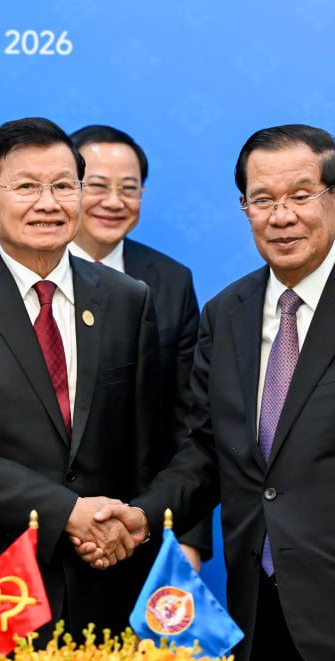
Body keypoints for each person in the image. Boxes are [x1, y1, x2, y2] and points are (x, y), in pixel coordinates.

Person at [82, 124, 335, 661]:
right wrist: (142, 515)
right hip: (259, 605)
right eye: (263, 199)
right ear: (244, 208)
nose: (282, 216)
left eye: (300, 196)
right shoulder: (227, 313)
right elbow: (206, 450)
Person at [0, 117, 163, 653]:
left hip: (101, 584)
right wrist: (68, 512)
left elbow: (148, 447)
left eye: (64, 186)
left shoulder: (127, 300)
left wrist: (124, 524)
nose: (48, 203)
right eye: (26, 187)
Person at [68, 124, 211, 568]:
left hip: (140, 523)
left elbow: (190, 420)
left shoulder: (171, 281)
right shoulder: (26, 274)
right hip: (43, 521)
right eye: (97, 186)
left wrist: (184, 533)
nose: (114, 202)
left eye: (129, 189)